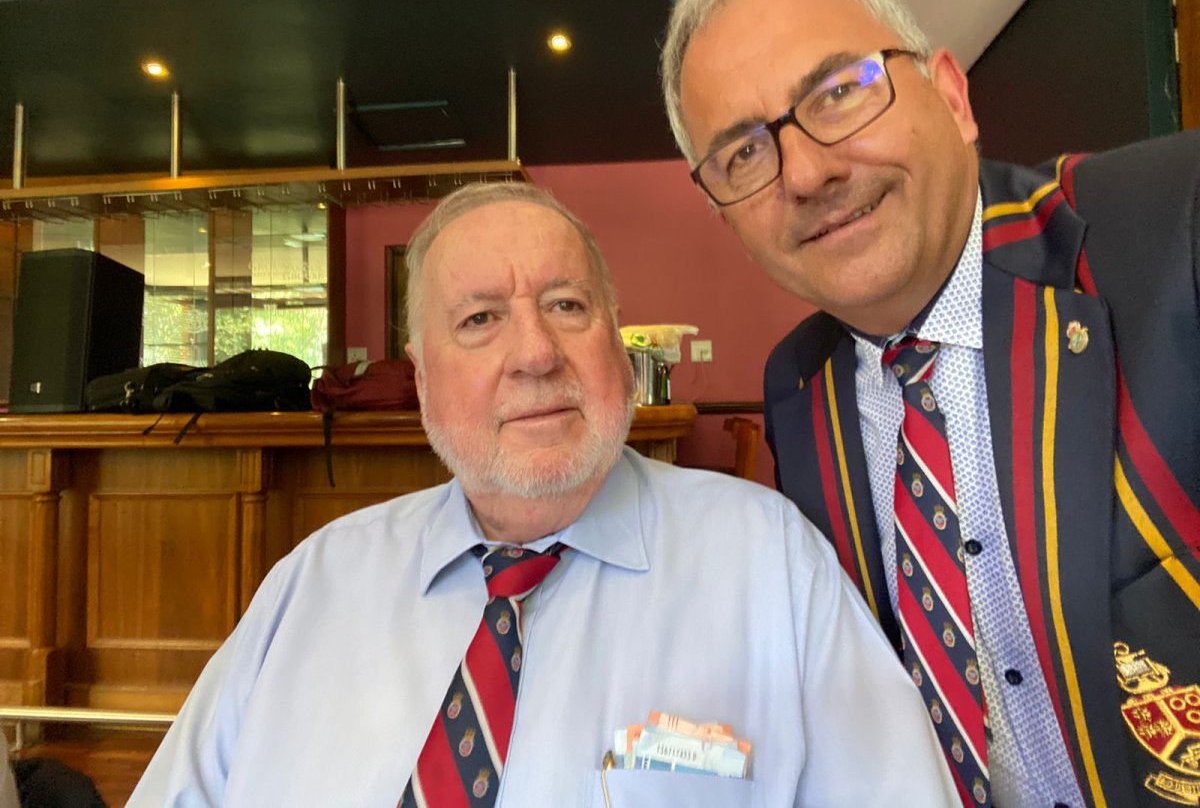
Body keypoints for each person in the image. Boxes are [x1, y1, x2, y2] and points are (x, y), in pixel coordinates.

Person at [128, 181, 954, 806]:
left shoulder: (772, 567)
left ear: (616, 345)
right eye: (480, 319)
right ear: (422, 379)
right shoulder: (310, 587)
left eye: (566, 305)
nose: (535, 353)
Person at [662, 0, 1200, 808]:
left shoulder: (1174, 218)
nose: (807, 172)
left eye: (839, 92)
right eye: (744, 154)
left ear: (951, 95)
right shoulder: (799, 387)